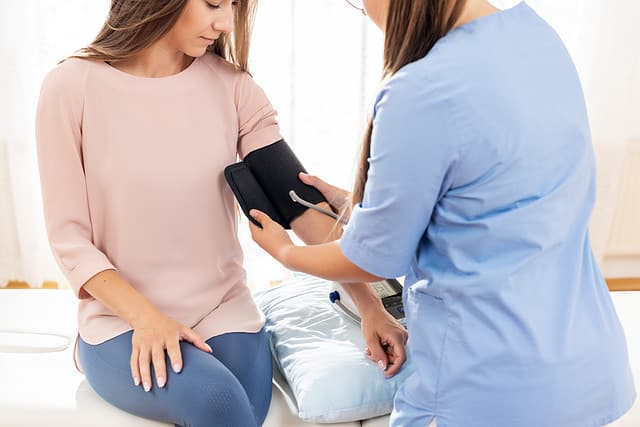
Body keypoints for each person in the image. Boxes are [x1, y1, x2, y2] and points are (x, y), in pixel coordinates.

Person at [250, 0, 637, 426]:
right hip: (586, 371)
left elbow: (373, 259)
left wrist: (284, 251)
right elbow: (502, 194)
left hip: (485, 391)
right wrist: (377, 205)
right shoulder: (534, 35)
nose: (363, 10)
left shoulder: (419, 90)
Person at [35, 1, 405, 426]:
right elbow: (69, 239)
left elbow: (300, 207)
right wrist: (147, 319)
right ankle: (90, 351)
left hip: (223, 309)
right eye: (213, 3)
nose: (226, 22)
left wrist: (371, 306)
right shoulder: (71, 86)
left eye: (234, 6)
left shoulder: (234, 88)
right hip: (121, 319)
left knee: (241, 409)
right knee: (221, 405)